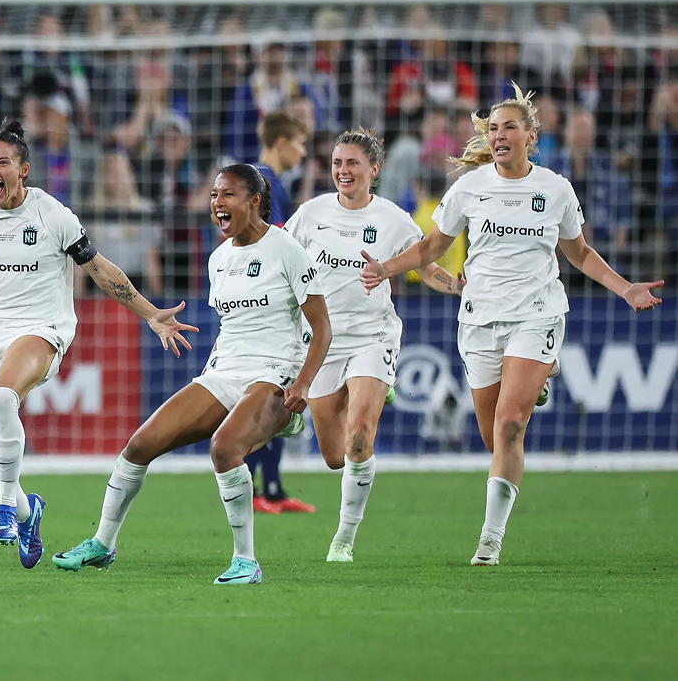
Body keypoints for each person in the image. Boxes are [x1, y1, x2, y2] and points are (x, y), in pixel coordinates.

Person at [360, 84, 663, 566]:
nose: (499, 136)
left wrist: (625, 288)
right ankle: (539, 379)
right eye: (494, 129)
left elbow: (579, 252)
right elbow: (431, 248)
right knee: (493, 438)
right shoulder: (470, 188)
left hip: (537, 311)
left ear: (531, 135)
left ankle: (490, 541)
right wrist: (385, 268)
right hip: (479, 318)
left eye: (509, 128)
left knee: (510, 424)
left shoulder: (554, 188)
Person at [0, 119, 196, 569]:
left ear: (23, 169)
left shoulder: (53, 215)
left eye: (2, 163)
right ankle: (28, 509)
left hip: (41, 327)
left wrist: (150, 314)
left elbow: (100, 269)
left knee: (4, 396)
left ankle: (7, 511)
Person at [53, 164, 331, 583]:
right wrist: (212, 370)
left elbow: (322, 326)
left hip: (275, 373)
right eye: (214, 195)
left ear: (254, 200)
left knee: (224, 448)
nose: (217, 203)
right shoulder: (218, 260)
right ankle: (102, 544)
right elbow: (232, 326)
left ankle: (246, 561)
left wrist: (304, 383)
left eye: (228, 195)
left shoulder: (287, 250)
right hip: (224, 373)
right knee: (139, 445)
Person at [285, 129, 465, 562]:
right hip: (323, 342)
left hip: (373, 333)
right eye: (337, 163)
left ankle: (343, 540)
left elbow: (425, 265)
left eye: (352, 163)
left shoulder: (393, 219)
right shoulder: (310, 215)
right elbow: (281, 262)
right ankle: (357, 396)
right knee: (334, 456)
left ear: (374, 170)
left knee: (360, 436)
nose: (343, 171)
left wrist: (457, 286)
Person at [245, 110, 314, 514]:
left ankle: (271, 488)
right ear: (283, 142)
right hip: (263, 303)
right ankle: (252, 488)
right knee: (265, 392)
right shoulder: (263, 182)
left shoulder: (270, 181)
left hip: (270, 297)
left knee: (281, 393)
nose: (304, 153)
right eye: (301, 144)